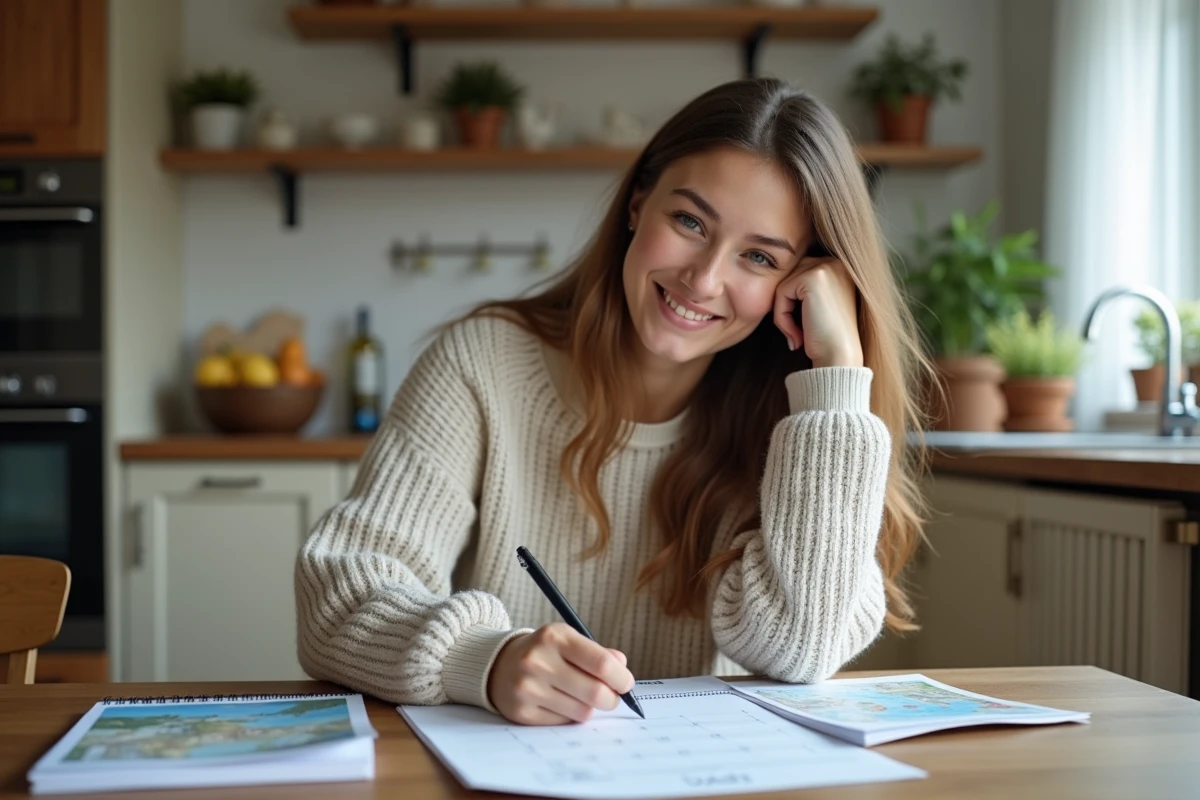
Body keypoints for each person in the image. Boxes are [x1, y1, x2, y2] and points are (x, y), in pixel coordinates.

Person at [295, 77, 930, 727]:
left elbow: (802, 648)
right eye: (690, 221)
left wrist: (839, 379)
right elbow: (337, 603)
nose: (704, 279)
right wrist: (483, 660)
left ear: (798, 283)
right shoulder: (482, 362)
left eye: (760, 258)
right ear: (637, 203)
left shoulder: (796, 423)